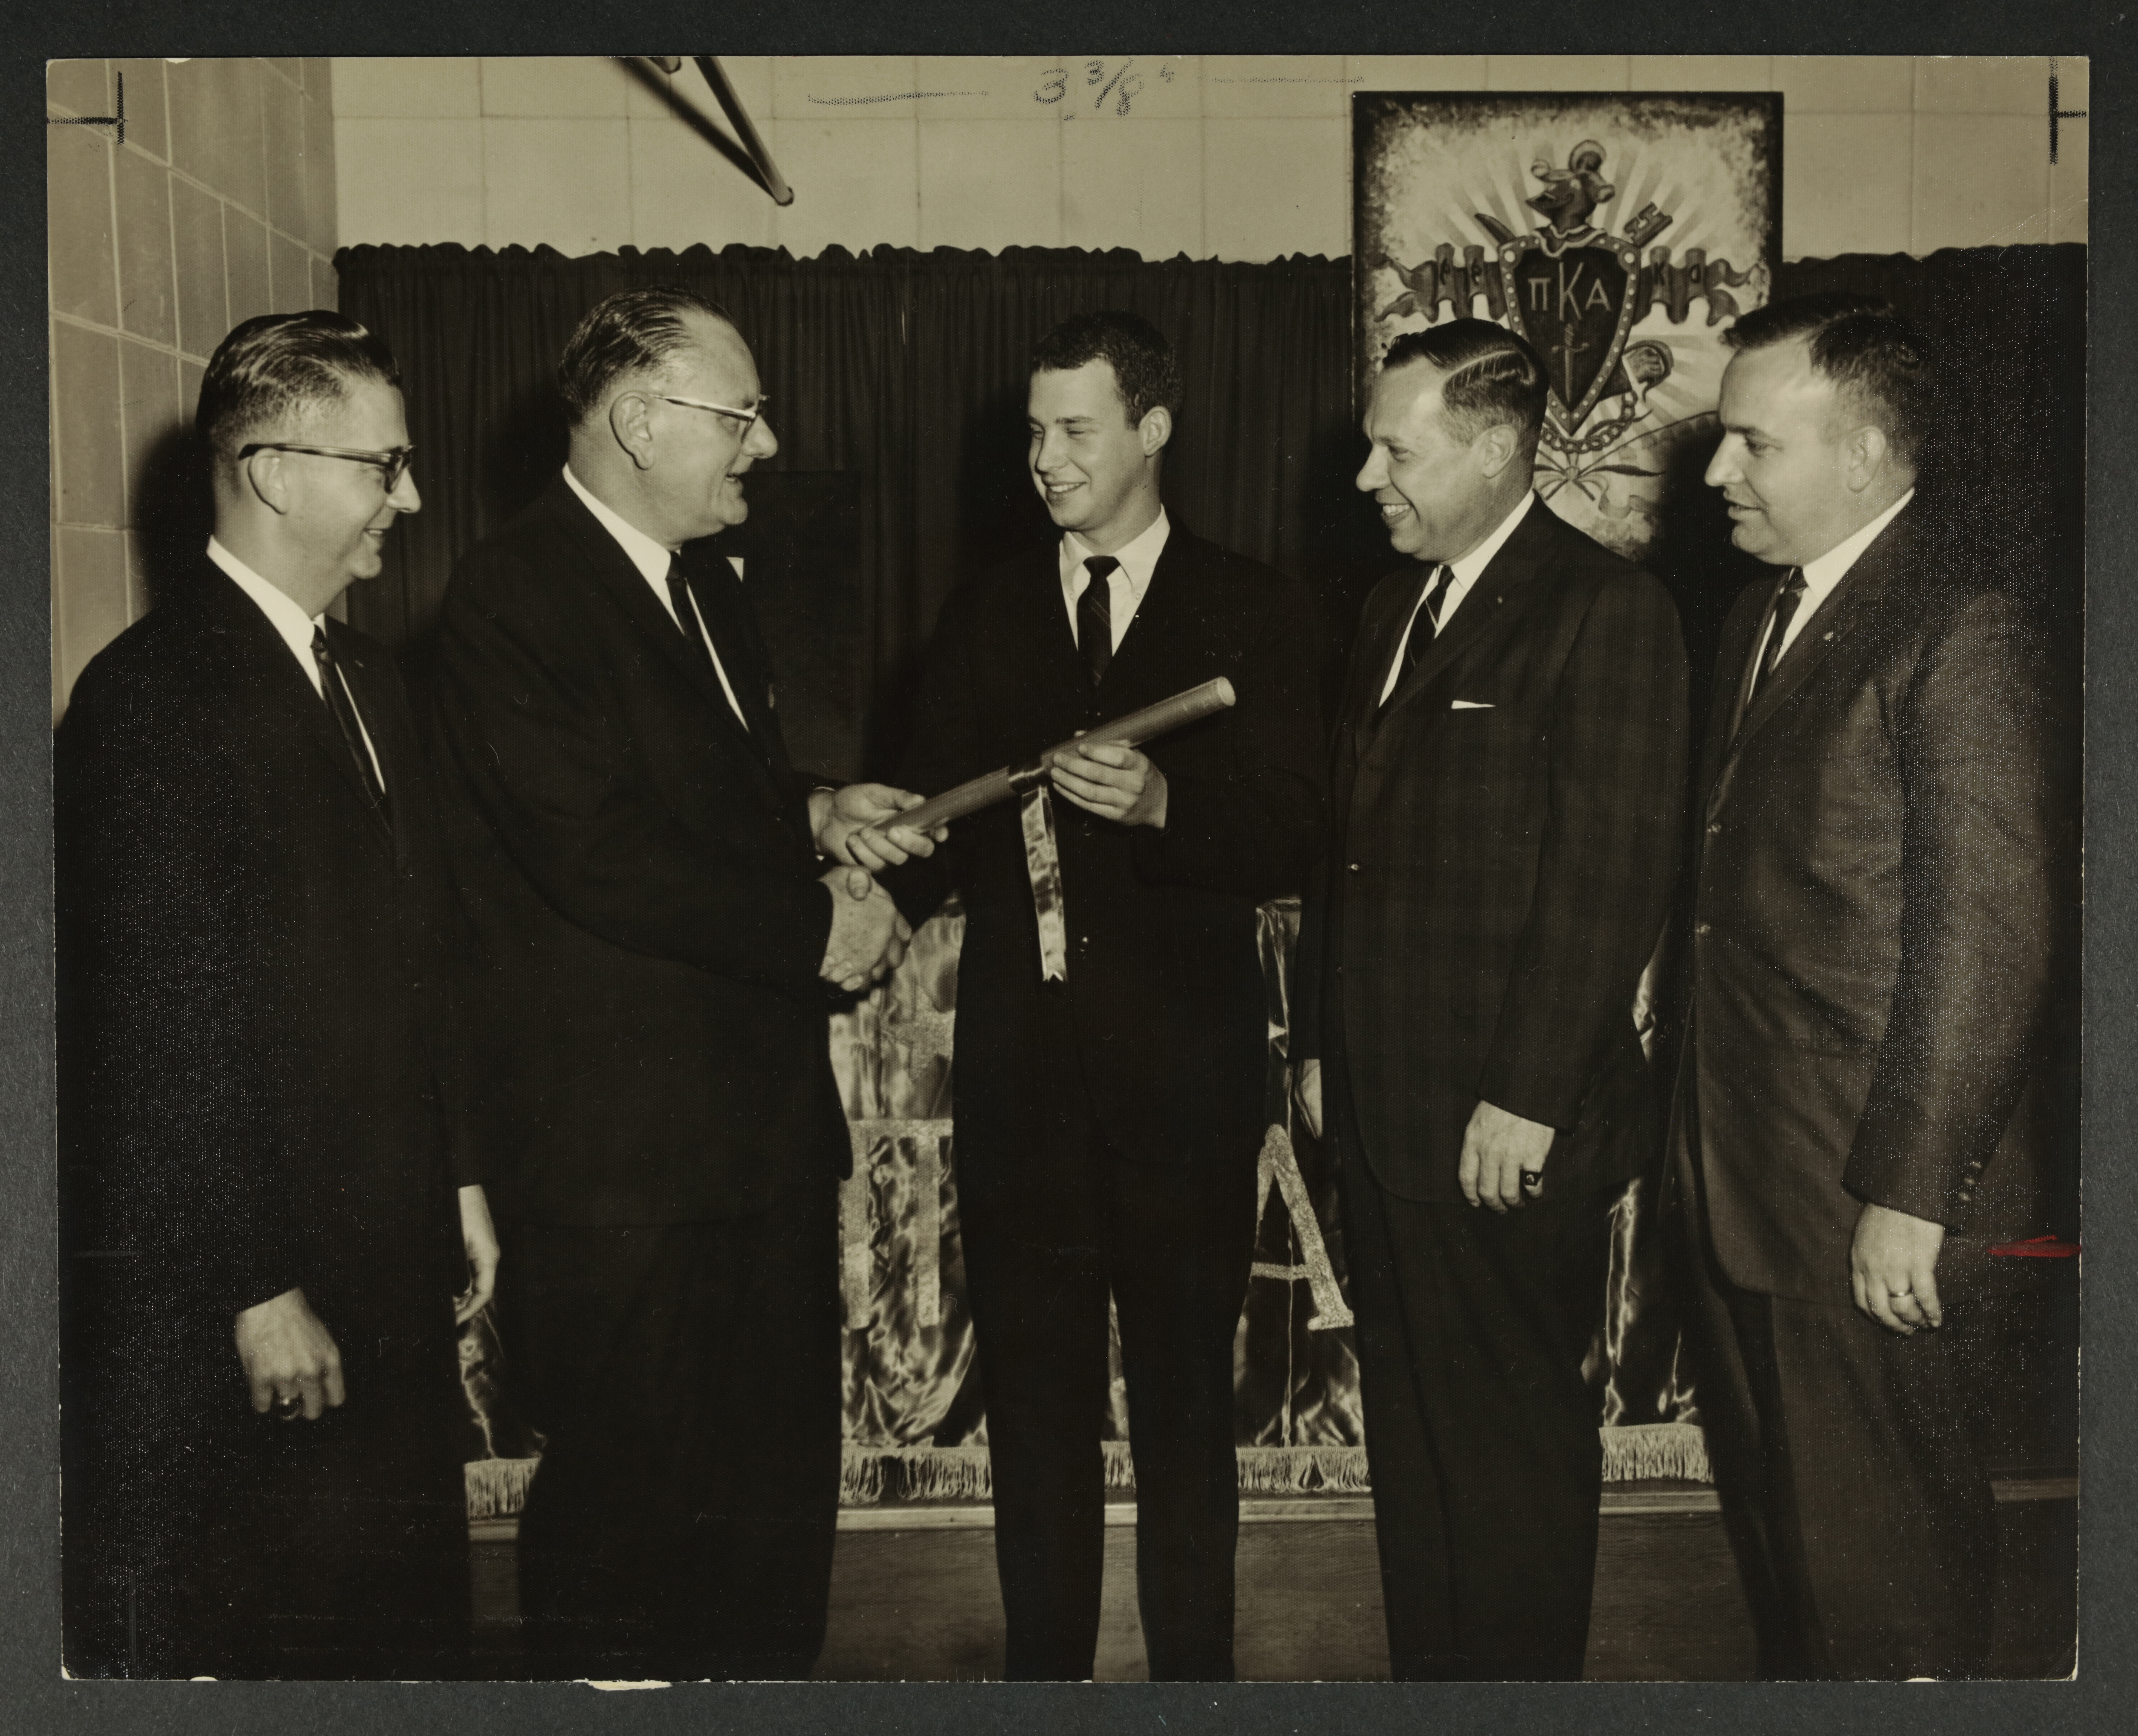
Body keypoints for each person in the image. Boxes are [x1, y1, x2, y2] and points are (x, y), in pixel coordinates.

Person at [426, 285, 927, 1681]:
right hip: (623, 1169)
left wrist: (816, 805)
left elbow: (705, 792)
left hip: (750, 1142)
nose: (761, 446)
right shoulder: (513, 596)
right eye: (741, 415)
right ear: (643, 422)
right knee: (631, 1524)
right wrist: (807, 926)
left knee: (770, 1511)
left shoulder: (698, 581)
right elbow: (598, 851)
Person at [877, 310, 1326, 1680]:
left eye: (1074, 430)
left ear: (1153, 430)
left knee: (1188, 1412)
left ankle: (1194, 1681)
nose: (1045, 460)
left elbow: (1304, 825)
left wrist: (1169, 801)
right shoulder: (988, 608)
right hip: (1022, 1086)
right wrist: (856, 863)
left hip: (1183, 1088)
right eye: (1031, 432)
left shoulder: (1257, 609)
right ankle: (1044, 1684)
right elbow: (928, 816)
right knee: (1035, 1415)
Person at [57, 311, 496, 1679]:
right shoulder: (148, 700)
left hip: (390, 1254)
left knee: (410, 1622)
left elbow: (422, 958)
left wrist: (462, 1177)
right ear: (271, 471)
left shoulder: (368, 676)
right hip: (271, 1290)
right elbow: (148, 1032)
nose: (408, 498)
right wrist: (254, 1285)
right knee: (297, 1632)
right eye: (384, 464)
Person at [1664, 292, 2073, 1679]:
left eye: (1748, 444)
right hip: (1749, 1184)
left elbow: (1990, 933)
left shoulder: (1962, 625)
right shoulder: (1759, 616)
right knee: (1806, 1584)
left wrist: (1909, 1189)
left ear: (1863, 453)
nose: (1713, 471)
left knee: (1884, 1585)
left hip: (1865, 1204)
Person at [1292, 319, 1690, 1680]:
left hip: (1503, 1131)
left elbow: (1608, 877)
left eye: (1393, 449)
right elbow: (1358, 853)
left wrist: (1523, 1093)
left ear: (1491, 446)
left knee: (1510, 1459)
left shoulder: (1603, 610)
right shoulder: (1392, 606)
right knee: (1414, 1447)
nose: (1364, 478)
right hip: (1391, 1114)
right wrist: (1328, 1050)